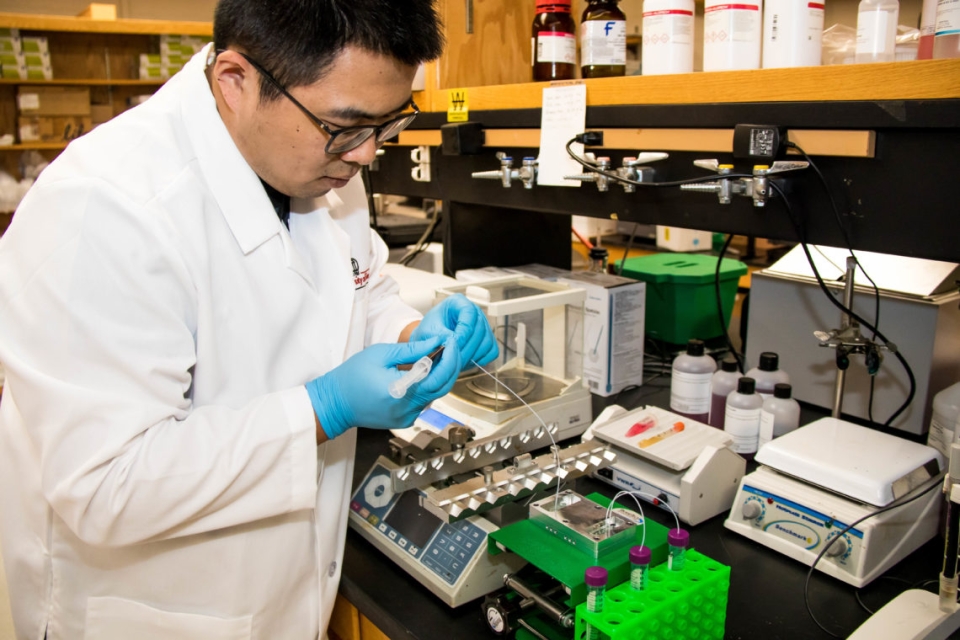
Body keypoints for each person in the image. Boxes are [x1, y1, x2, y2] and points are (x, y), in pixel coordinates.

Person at [0, 1, 497, 638]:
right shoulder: (103, 210)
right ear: (236, 81)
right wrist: (323, 408)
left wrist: (410, 333)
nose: (369, 153)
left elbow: (358, 289)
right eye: (347, 126)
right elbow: (106, 486)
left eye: (389, 122)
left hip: (286, 589)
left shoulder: (324, 161)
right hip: (152, 609)